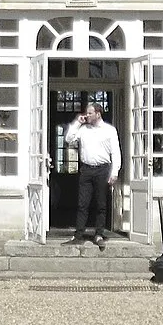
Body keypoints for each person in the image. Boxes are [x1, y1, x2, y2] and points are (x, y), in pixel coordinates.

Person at [63, 102, 120, 246]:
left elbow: (115, 152)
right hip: (86, 169)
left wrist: (114, 172)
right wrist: (77, 122)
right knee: (83, 203)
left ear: (98, 114)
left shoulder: (109, 130)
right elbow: (68, 139)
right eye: (86, 113)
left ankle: (99, 234)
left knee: (101, 203)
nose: (86, 115)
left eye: (89, 113)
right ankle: (79, 235)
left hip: (102, 169)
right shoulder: (83, 129)